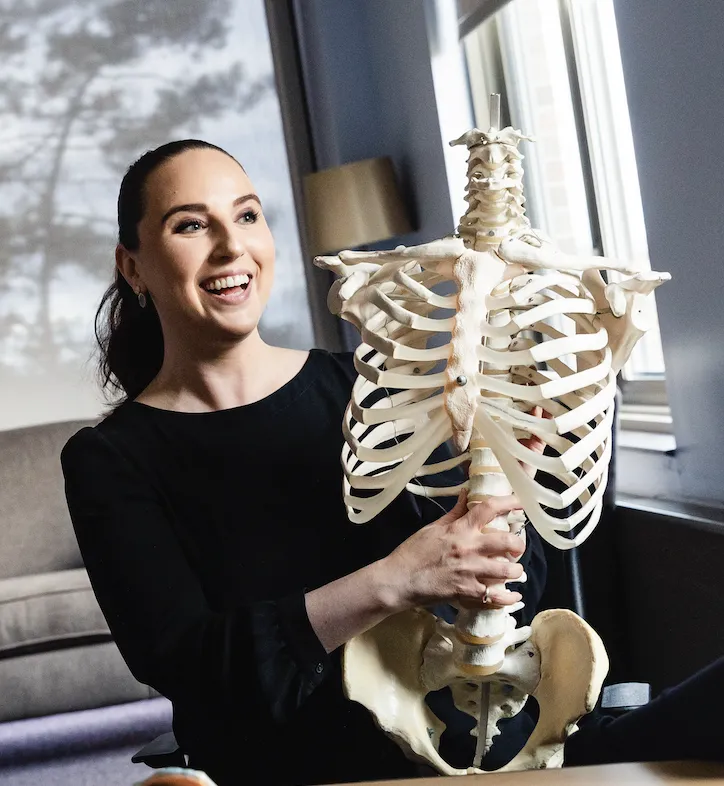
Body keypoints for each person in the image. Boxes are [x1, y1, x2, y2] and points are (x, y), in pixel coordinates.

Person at [61, 140, 724, 786]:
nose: (232, 247)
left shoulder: (373, 384)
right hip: (324, 772)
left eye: (247, 215)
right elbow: (194, 666)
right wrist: (395, 580)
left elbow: (503, 586)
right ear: (132, 266)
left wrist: (509, 503)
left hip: (518, 750)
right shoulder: (110, 461)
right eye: (190, 225)